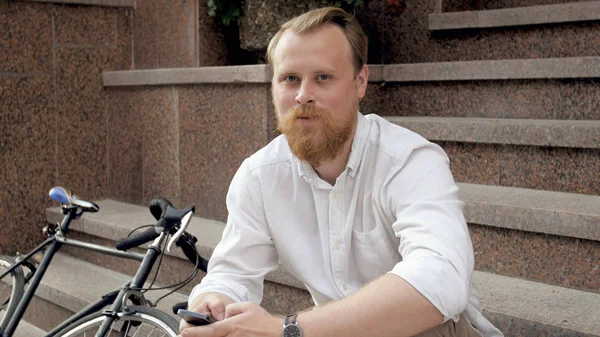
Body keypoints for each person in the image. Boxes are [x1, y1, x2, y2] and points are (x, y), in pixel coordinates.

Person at [180, 7, 503, 337]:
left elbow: (441, 278)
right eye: (290, 79)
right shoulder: (260, 176)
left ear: (360, 82)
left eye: (323, 77)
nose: (303, 95)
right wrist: (212, 302)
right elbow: (232, 272)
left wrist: (288, 329)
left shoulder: (409, 161)